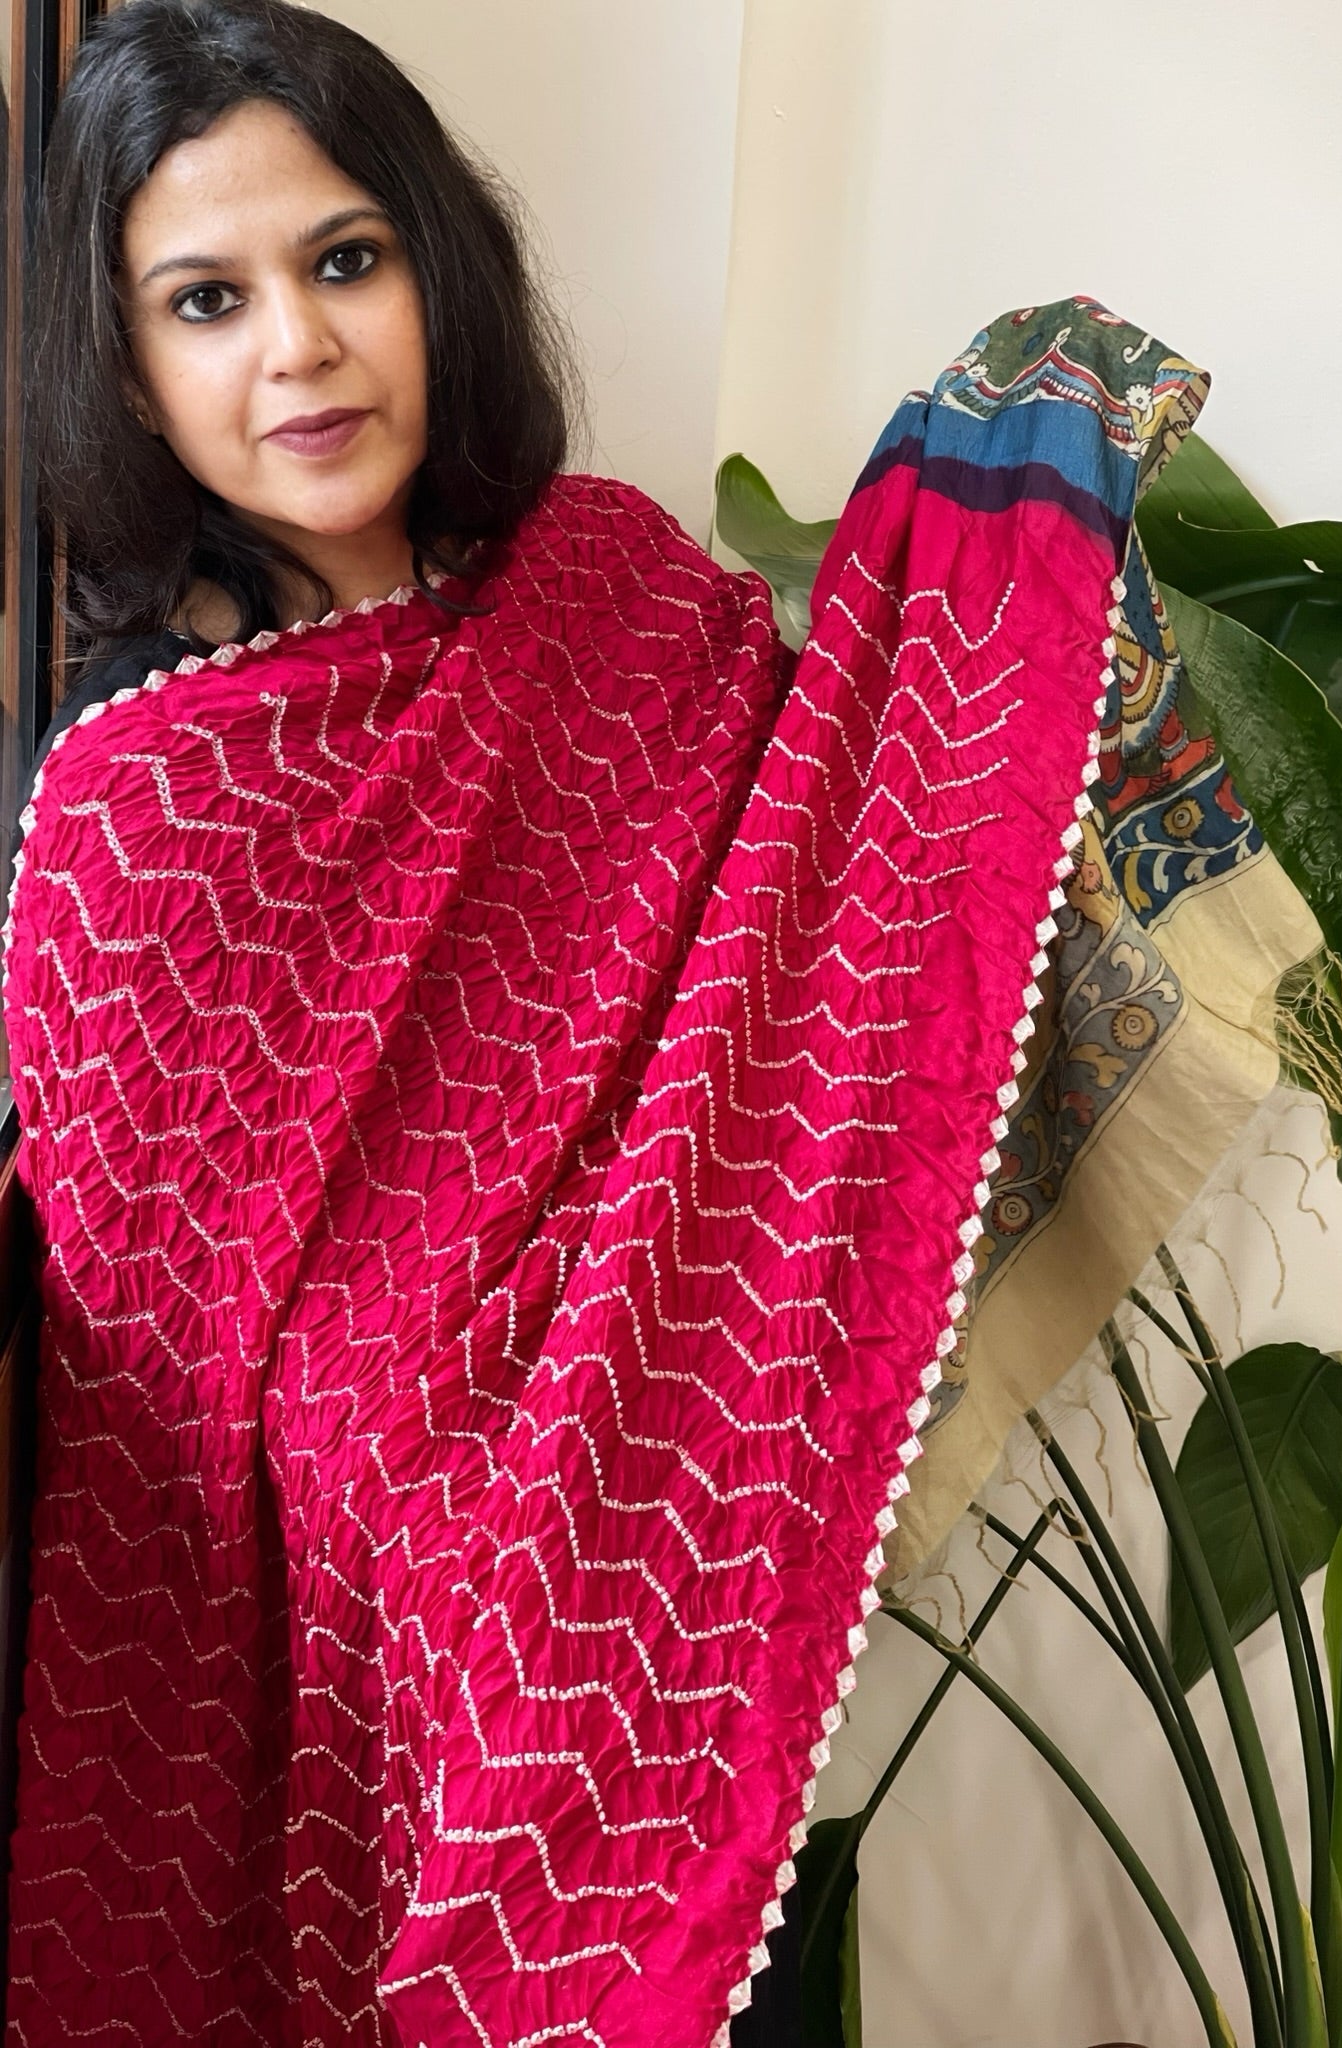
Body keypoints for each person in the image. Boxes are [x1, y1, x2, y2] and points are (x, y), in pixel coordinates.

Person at [4, 2, 1206, 2042]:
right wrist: (439, 1446)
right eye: (207, 300)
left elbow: (807, 912)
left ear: (439, 267)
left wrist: (987, 532)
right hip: (386, 1631)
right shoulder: (135, 802)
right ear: (125, 368)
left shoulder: (616, 590)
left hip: (722, 1482)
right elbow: (165, 1377)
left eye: (346, 260)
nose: (297, 347)